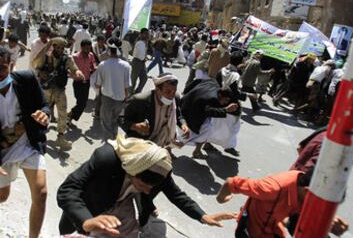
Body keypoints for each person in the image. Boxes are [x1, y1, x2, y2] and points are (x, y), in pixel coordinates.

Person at [57, 135, 237, 236]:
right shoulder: (106, 158)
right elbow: (68, 189)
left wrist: (203, 216)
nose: (148, 191)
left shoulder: (160, 168)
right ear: (132, 171)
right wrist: (86, 220)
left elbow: (176, 194)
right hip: (92, 208)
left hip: (123, 208)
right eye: (143, 184)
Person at [0, 46, 50, 238]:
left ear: (11, 66)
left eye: (2, 68)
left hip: (27, 143)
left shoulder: (27, 80)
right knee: (3, 196)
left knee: (41, 193)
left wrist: (44, 115)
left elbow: (44, 106)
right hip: (3, 149)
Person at [216, 169, 348, 238]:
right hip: (250, 232)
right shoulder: (272, 188)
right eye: (323, 203)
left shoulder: (307, 189)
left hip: (274, 230)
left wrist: (327, 223)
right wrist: (221, 198)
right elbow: (231, 182)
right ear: (307, 191)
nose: (321, 208)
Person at [33, 37, 84, 150]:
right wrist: (41, 74)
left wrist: (78, 72)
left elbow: (74, 68)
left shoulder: (67, 59)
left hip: (60, 90)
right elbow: (36, 68)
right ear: (54, 47)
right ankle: (37, 135)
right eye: (58, 47)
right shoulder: (46, 57)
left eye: (62, 48)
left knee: (63, 114)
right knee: (43, 113)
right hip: (46, 90)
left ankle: (60, 137)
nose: (61, 50)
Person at [121, 73, 189, 149]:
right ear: (157, 89)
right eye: (168, 91)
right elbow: (120, 118)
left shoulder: (175, 97)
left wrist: (183, 125)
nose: (171, 95)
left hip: (162, 143)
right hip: (141, 143)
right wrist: (135, 126)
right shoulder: (140, 100)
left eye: (174, 91)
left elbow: (178, 114)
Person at [180, 79, 239, 159]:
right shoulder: (212, 99)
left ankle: (198, 150)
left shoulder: (212, 82)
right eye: (225, 100)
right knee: (206, 129)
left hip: (184, 102)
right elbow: (209, 111)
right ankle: (196, 151)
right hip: (190, 112)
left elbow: (197, 81)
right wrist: (226, 110)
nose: (226, 103)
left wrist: (186, 92)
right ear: (220, 96)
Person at [95, 38, 131, 140]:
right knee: (115, 121)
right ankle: (114, 140)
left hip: (107, 98)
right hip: (120, 99)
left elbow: (98, 85)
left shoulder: (102, 65)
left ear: (109, 50)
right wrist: (126, 98)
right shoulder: (126, 65)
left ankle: (108, 143)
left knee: (106, 122)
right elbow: (126, 86)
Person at [68, 40, 97, 126]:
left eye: (89, 48)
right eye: (86, 48)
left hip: (86, 82)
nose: (88, 50)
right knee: (80, 102)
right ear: (82, 47)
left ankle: (70, 117)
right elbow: (68, 69)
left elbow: (93, 64)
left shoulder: (91, 55)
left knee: (82, 103)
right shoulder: (75, 57)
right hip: (77, 82)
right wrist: (73, 75)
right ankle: (70, 116)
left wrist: (94, 68)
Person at [131, 28, 149, 94]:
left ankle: (136, 93)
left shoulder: (144, 42)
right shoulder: (140, 42)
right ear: (141, 34)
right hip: (137, 62)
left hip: (141, 62)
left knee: (144, 78)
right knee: (133, 80)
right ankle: (129, 95)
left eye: (147, 34)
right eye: (145, 34)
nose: (147, 35)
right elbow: (141, 56)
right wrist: (144, 58)